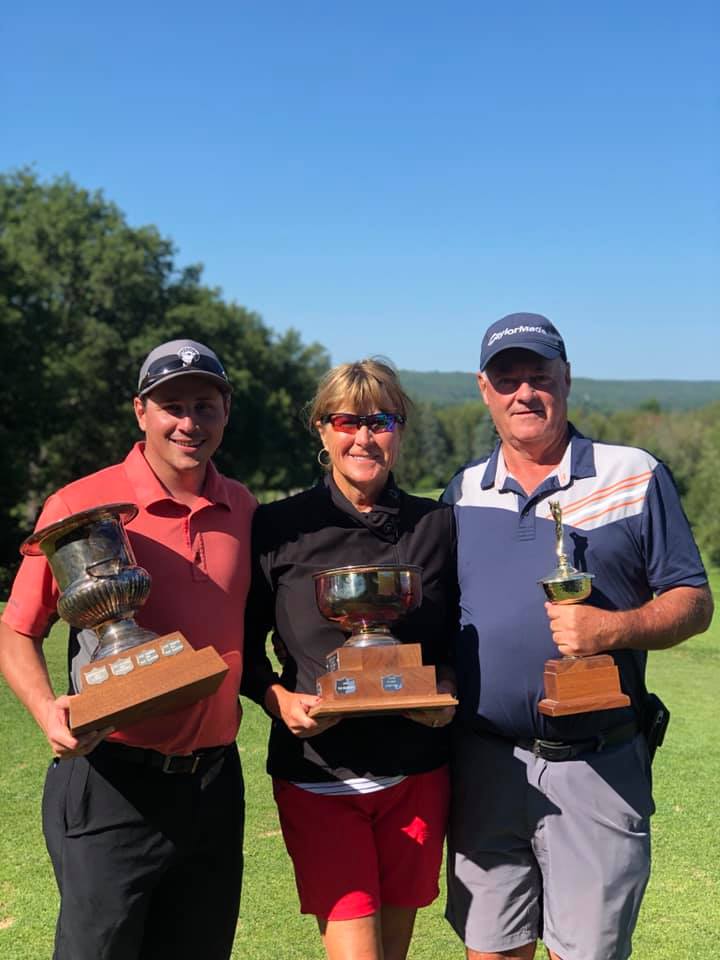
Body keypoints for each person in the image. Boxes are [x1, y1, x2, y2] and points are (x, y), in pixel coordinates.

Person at [442, 313, 714, 960]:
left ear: (566, 380)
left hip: (596, 763)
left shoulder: (634, 473)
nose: (524, 393)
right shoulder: (462, 492)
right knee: (491, 949)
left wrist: (613, 628)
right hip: (485, 764)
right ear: (485, 390)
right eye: (507, 379)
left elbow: (694, 600)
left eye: (539, 376)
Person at [0, 338, 256, 960]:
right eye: (172, 406)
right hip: (113, 779)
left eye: (205, 404)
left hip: (215, 782)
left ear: (225, 410)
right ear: (141, 412)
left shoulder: (243, 507)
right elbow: (16, 630)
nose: (189, 423)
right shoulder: (79, 504)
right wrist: (47, 714)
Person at [241, 358, 458, 960]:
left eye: (381, 421)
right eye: (346, 420)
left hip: (416, 773)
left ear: (400, 430)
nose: (364, 437)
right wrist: (277, 699)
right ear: (321, 430)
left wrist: (445, 688)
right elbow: (243, 645)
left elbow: (460, 636)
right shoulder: (278, 527)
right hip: (320, 775)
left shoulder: (437, 524)